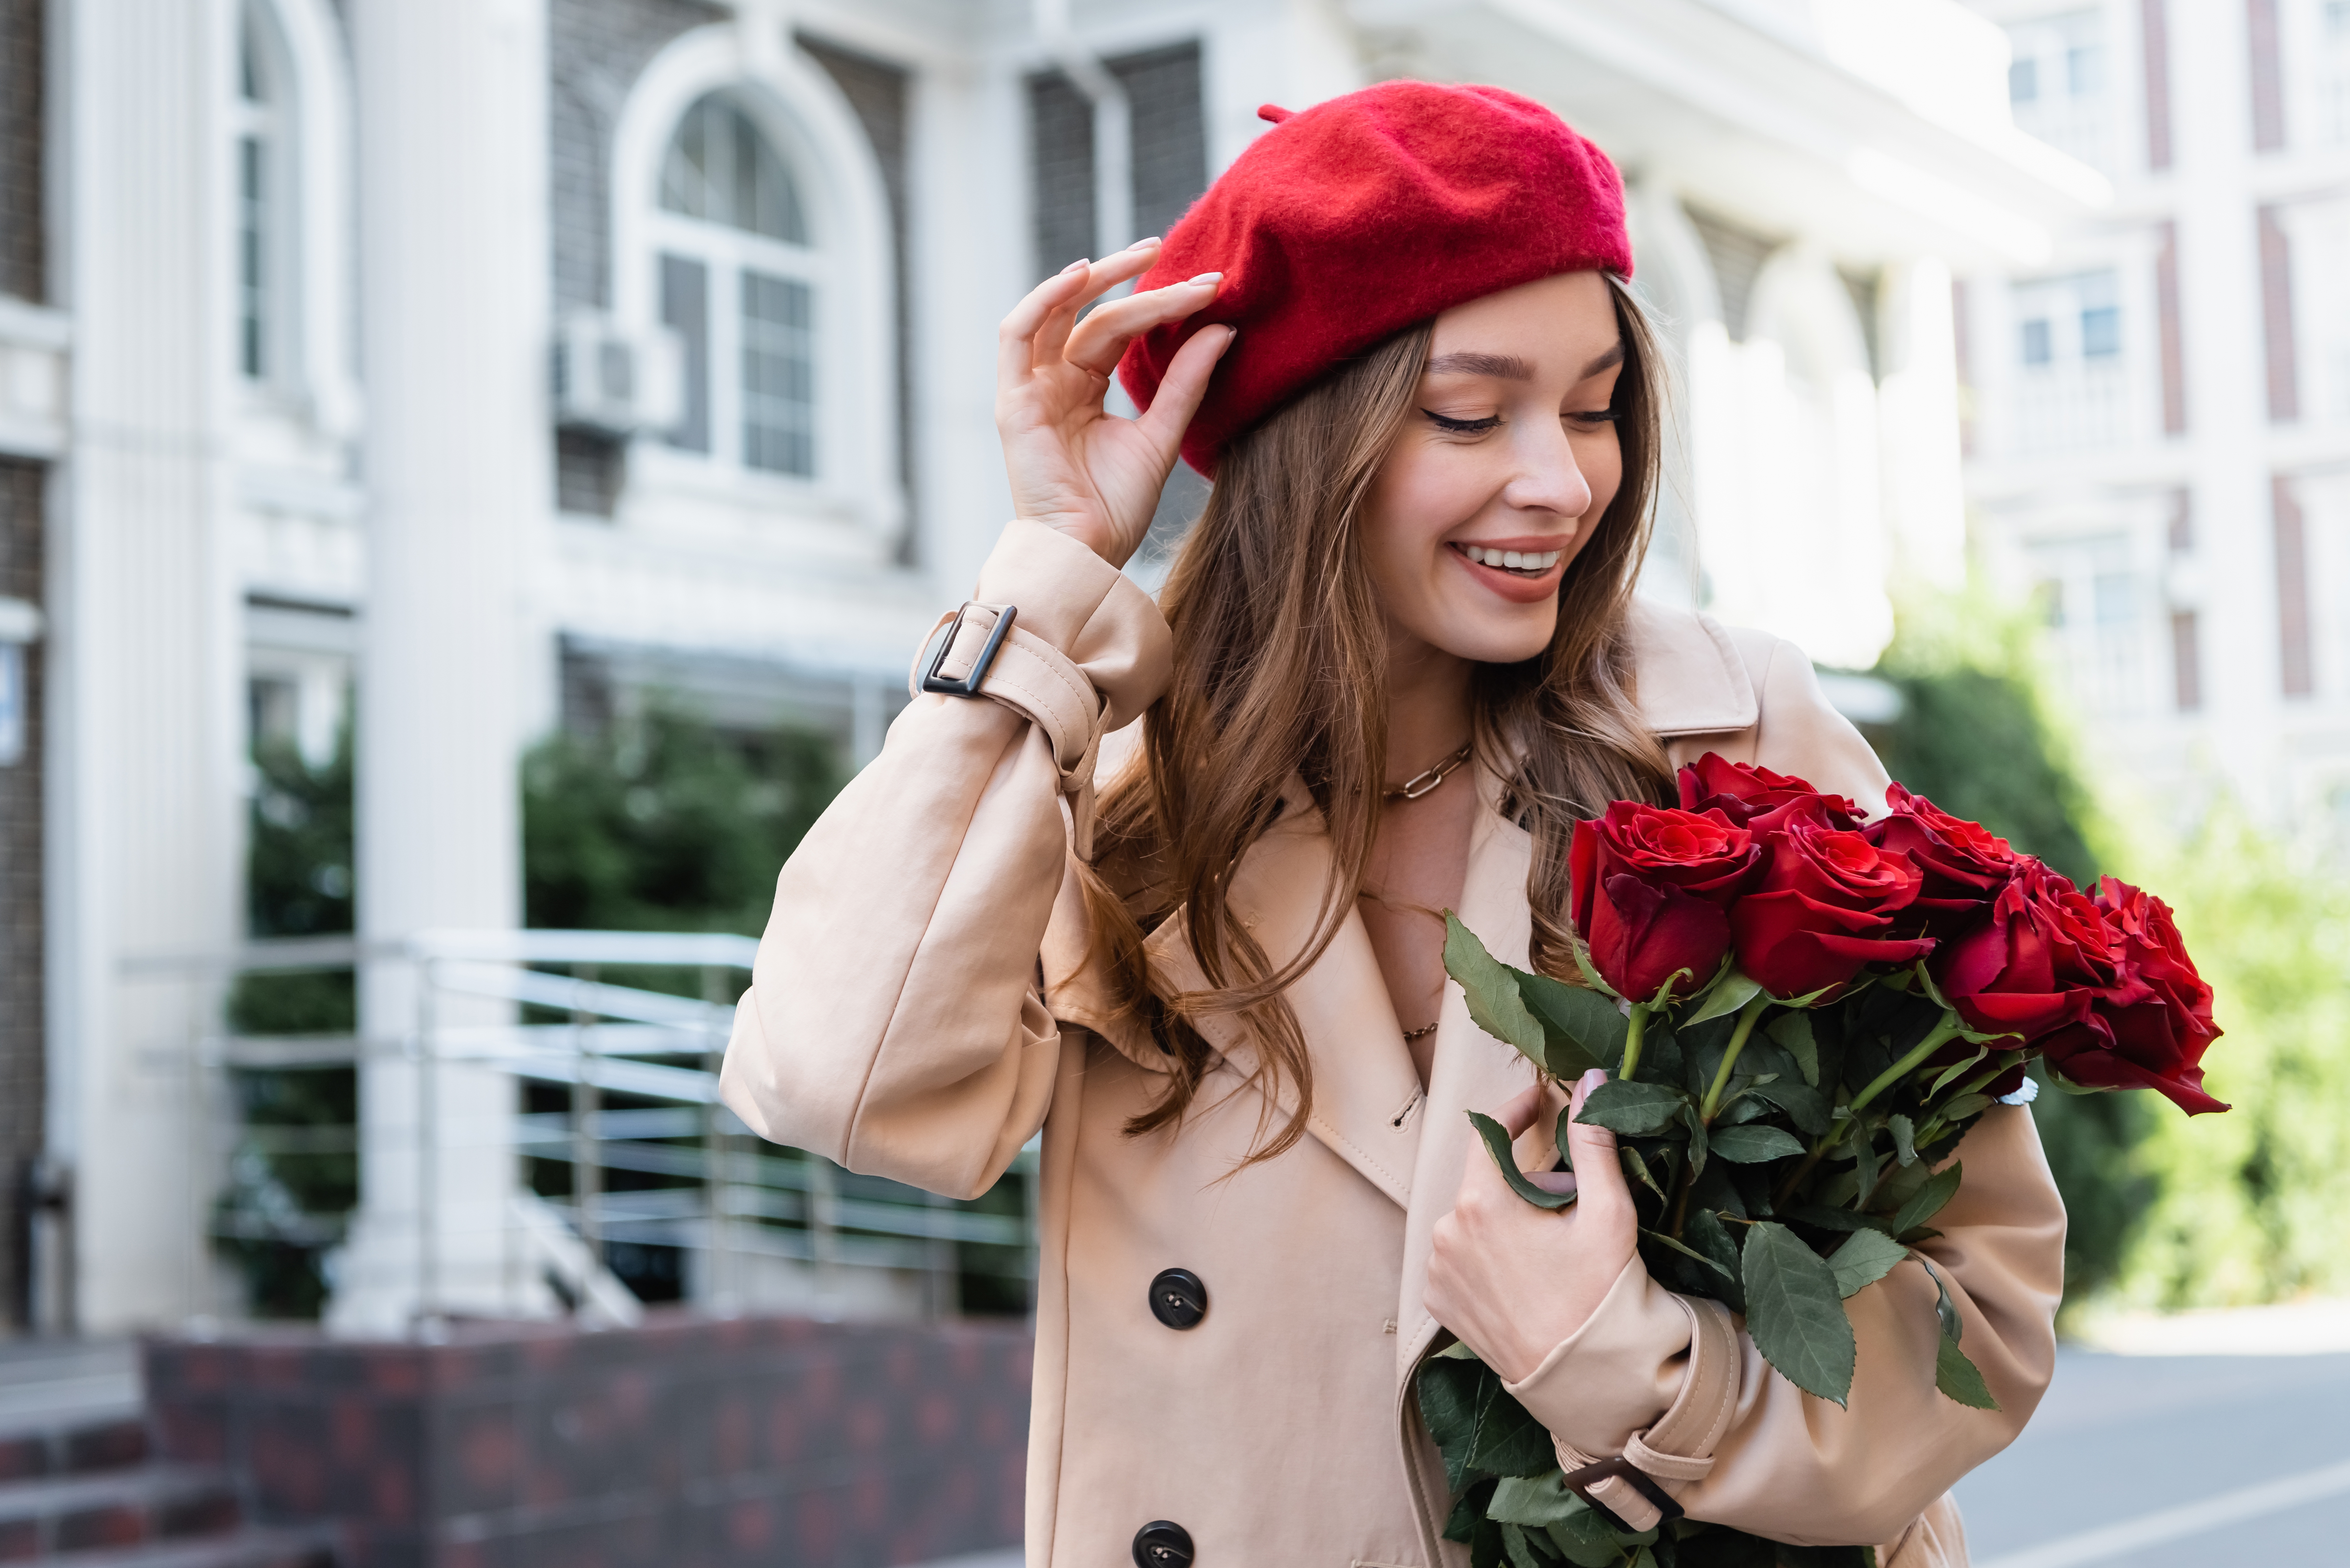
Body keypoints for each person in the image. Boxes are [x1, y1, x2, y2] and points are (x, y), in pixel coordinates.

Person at [720, 81, 2062, 1568]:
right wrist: (1043, 578)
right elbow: (835, 1088)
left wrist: (1622, 1365)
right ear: (1311, 448)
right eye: (1472, 414)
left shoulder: (1731, 743)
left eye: (1596, 408)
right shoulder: (1121, 800)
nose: (1560, 482)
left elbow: (1980, 1303)